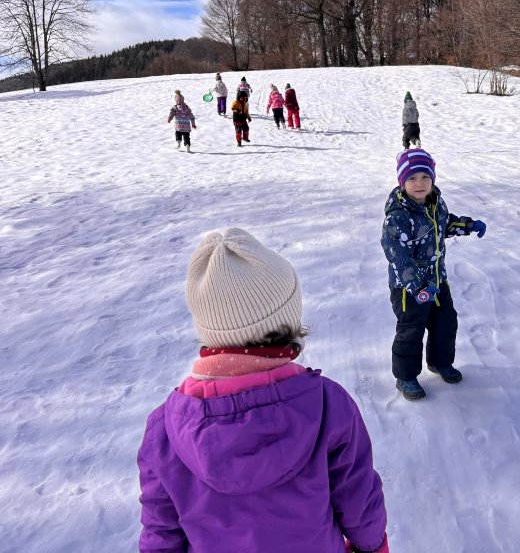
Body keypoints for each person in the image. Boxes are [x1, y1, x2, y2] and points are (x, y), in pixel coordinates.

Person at [137, 227, 389, 553]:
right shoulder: (327, 405)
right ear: (287, 321)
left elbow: (161, 533)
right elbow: (358, 500)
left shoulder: (165, 431)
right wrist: (372, 546)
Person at [381, 148, 487, 401]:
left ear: (433, 179)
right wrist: (417, 286)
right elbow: (398, 256)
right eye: (412, 179)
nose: (419, 184)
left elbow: (444, 224)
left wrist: (467, 225)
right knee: (411, 331)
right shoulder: (398, 217)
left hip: (438, 282)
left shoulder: (435, 203)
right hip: (409, 289)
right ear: (402, 182)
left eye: (424, 177)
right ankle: (405, 376)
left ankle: (440, 362)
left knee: (445, 323)